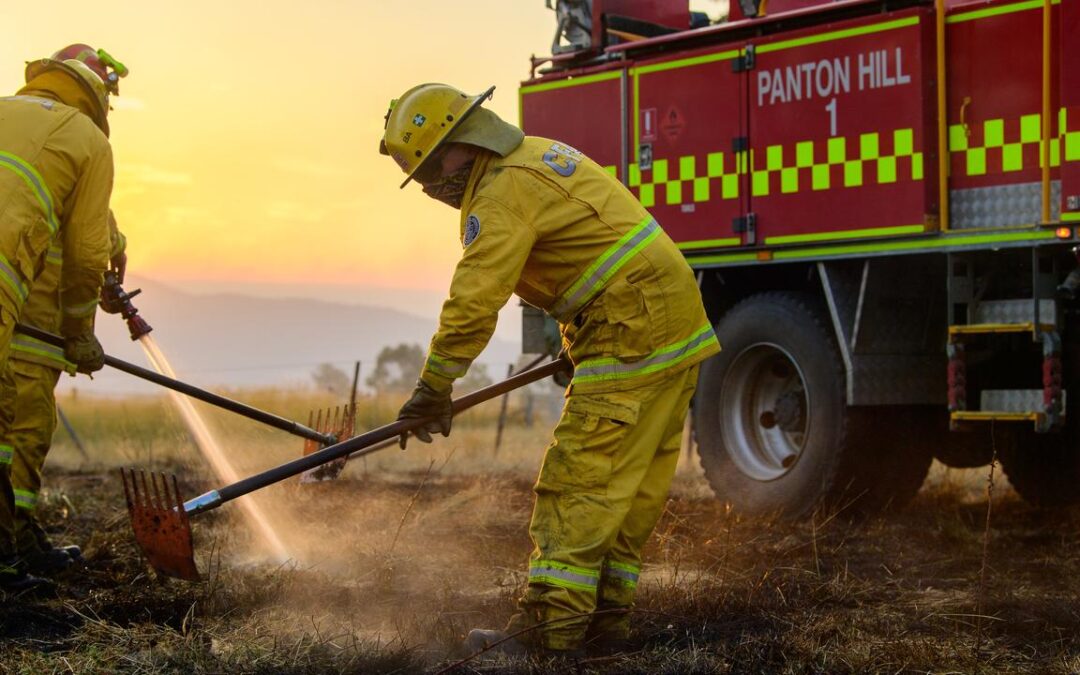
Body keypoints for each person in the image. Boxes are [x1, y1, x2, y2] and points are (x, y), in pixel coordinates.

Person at [380, 83, 720, 656]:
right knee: (626, 487)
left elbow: (472, 301)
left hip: (632, 325)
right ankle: (605, 627)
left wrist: (432, 388)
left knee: (579, 480)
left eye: (434, 169)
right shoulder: (537, 156)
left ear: (462, 143)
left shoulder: (501, 194)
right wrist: (583, 337)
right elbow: (591, 254)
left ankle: (546, 634)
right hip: (667, 321)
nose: (434, 188)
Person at [0, 46, 120, 591]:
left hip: (23, 310)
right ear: (96, 98)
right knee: (6, 421)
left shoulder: (7, 112)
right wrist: (80, 334)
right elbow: (87, 252)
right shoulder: (87, 140)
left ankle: (16, 538)